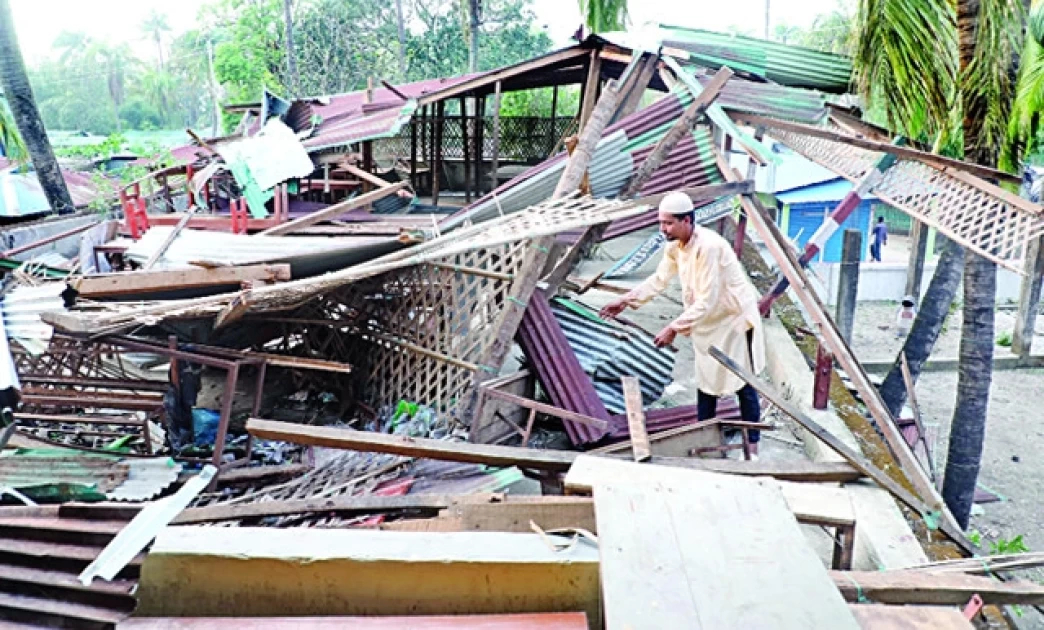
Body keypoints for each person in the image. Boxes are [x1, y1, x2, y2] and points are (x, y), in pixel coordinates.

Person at [599, 191, 767, 453]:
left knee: (742, 383)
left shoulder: (709, 247)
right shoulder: (675, 246)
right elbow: (659, 279)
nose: (662, 229)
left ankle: (753, 446)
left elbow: (708, 299)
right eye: (661, 222)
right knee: (706, 381)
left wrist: (673, 328)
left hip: (732, 319)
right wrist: (626, 300)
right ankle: (703, 440)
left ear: (686, 220)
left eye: (668, 223)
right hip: (706, 322)